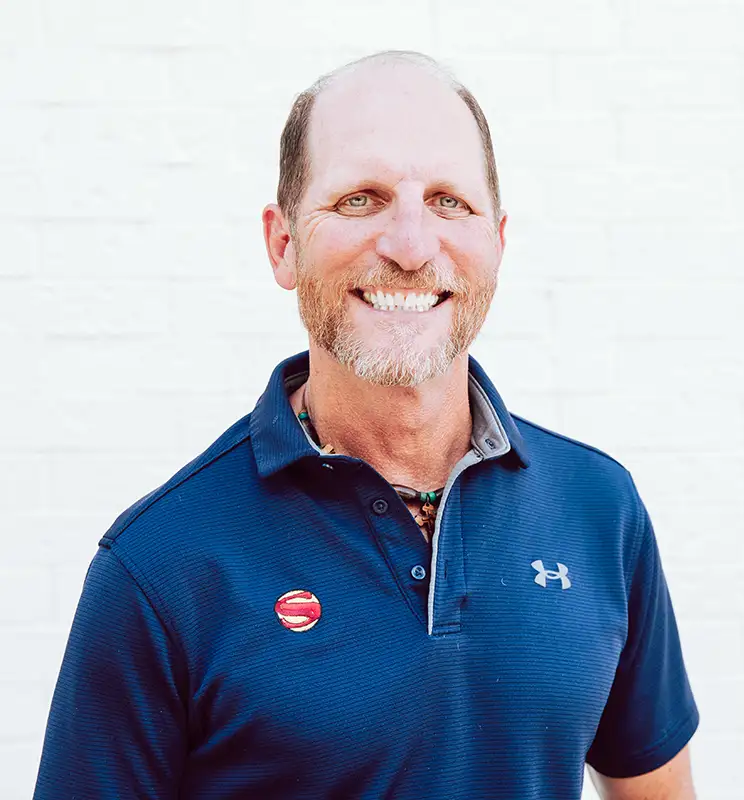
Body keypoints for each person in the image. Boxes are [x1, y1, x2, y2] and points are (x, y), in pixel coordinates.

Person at [33, 51, 699, 799]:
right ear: (283, 244)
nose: (411, 246)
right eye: (359, 199)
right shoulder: (160, 567)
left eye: (449, 201)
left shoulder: (598, 508)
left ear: (498, 242)